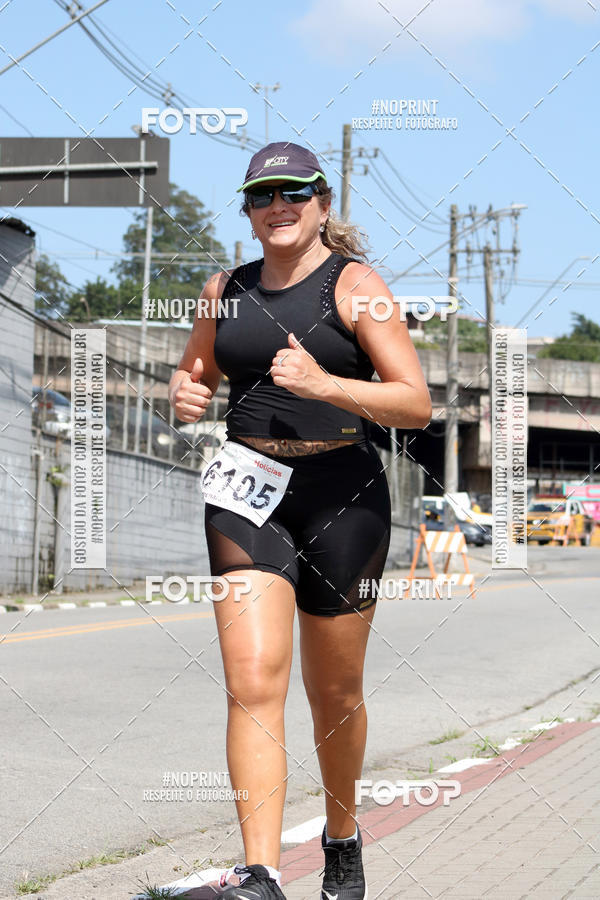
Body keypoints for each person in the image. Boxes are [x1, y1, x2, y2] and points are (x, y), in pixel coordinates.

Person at [169, 141, 432, 900]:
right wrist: (183, 394)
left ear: (322, 203)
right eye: (262, 196)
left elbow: (414, 402)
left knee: (335, 692)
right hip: (246, 490)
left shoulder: (357, 286)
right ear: (248, 211)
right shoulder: (223, 289)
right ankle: (261, 874)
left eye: (294, 192)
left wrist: (325, 384)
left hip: (341, 493)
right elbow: (195, 373)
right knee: (252, 680)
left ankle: (342, 837)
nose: (277, 206)